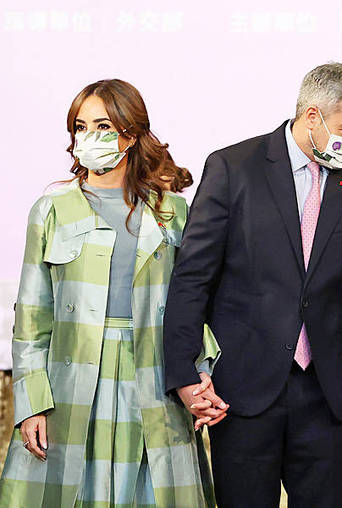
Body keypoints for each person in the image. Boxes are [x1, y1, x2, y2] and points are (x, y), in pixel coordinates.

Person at [162, 62, 342, 507]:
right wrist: (184, 372)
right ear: (312, 116)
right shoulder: (233, 167)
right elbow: (193, 278)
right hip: (242, 391)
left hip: (326, 397)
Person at [0, 79, 222, 507]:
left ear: (131, 133)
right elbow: (31, 319)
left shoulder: (172, 210)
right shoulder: (51, 210)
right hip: (72, 382)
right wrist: (30, 404)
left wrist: (200, 369)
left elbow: (195, 304)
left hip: (155, 377)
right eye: (80, 127)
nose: (88, 138)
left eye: (102, 126)